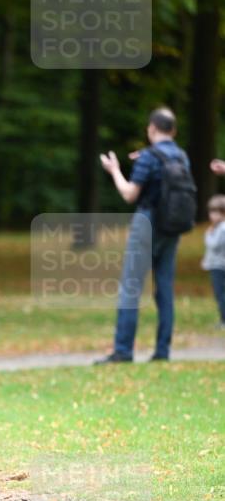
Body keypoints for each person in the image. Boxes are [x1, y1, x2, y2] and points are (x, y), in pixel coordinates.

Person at [96, 107, 190, 363]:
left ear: (151, 128)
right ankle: (163, 351)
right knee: (165, 288)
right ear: (174, 130)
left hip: (147, 224)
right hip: (172, 227)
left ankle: (123, 350)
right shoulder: (181, 157)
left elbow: (129, 194)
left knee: (130, 287)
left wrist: (115, 170)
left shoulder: (150, 157)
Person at [201, 194, 225, 328]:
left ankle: (224, 320)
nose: (213, 216)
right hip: (215, 264)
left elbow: (214, 245)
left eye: (216, 212)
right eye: (211, 212)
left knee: (220, 294)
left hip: (219, 266)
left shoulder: (221, 229)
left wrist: (208, 234)